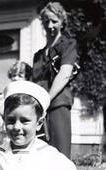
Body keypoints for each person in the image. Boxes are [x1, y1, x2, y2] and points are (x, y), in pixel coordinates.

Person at [32, 2, 79, 158]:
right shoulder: (38, 55)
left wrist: (46, 99)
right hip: (39, 108)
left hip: (57, 103)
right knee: (39, 151)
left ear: (62, 22)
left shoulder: (67, 45)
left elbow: (65, 74)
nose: (50, 25)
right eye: (46, 21)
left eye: (54, 21)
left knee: (60, 153)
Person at [0, 61, 32, 143]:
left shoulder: (28, 93)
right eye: (14, 75)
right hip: (9, 124)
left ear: (27, 78)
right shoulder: (8, 92)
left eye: (20, 76)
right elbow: (1, 109)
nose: (16, 78)